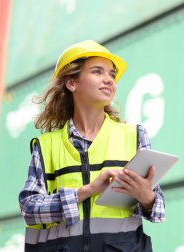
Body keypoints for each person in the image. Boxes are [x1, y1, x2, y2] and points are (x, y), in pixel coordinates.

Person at [18, 40, 165, 252]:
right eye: (97, 72)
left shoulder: (134, 135)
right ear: (72, 83)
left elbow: (158, 210)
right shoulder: (46, 146)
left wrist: (147, 197)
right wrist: (87, 191)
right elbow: (29, 210)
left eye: (112, 75)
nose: (109, 80)